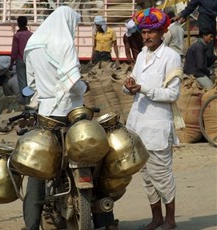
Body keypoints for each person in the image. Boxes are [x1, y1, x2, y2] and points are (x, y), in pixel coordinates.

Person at [22, 6, 117, 230]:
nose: (72, 30)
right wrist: (84, 87)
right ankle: (106, 220)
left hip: (46, 115)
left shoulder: (32, 45)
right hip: (70, 113)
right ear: (67, 23)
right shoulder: (62, 43)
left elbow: (31, 86)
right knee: (95, 157)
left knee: (37, 169)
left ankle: (31, 224)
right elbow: (73, 83)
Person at [124, 8, 183, 230]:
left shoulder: (171, 56)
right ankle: (156, 218)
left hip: (158, 126)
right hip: (138, 125)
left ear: (162, 32)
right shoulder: (141, 56)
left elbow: (172, 94)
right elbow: (133, 83)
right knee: (147, 177)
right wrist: (129, 86)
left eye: (152, 32)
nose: (147, 36)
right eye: (144, 32)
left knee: (162, 175)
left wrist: (144, 88)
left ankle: (170, 220)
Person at [172, 0, 217, 65]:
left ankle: (207, 62)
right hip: (204, 20)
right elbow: (190, 7)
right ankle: (204, 63)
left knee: (211, 42)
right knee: (206, 42)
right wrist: (180, 15)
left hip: (212, 20)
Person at [10, 16, 32, 105]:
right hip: (30, 60)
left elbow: (14, 51)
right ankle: (31, 100)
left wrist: (11, 64)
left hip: (20, 60)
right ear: (26, 23)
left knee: (22, 82)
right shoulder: (31, 35)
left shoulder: (17, 36)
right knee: (30, 81)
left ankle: (26, 103)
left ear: (18, 24)